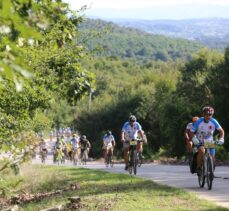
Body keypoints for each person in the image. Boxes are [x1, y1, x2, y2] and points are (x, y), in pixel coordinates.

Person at [190, 106, 224, 175]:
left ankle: (210, 169)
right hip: (199, 140)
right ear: (203, 114)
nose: (208, 116)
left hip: (209, 141)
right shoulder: (199, 121)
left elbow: (221, 131)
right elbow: (191, 132)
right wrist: (194, 139)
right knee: (202, 151)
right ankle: (199, 168)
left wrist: (221, 138)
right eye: (206, 114)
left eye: (210, 115)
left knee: (212, 156)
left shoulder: (214, 121)